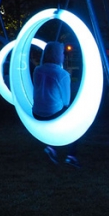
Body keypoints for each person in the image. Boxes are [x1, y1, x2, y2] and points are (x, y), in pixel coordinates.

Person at [32, 41, 81, 169]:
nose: (64, 56)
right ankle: (71, 156)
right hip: (53, 113)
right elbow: (66, 101)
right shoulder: (62, 74)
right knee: (78, 123)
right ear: (57, 55)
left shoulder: (37, 69)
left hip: (36, 113)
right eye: (62, 53)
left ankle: (51, 147)